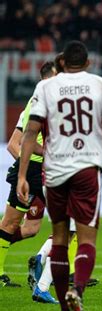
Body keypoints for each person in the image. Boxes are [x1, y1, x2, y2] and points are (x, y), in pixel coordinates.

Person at [17, 40, 102, 311]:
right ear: (88, 63)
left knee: (60, 237)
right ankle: (78, 290)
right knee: (86, 238)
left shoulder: (45, 87)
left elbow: (29, 133)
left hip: (54, 169)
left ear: (62, 62)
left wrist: (22, 175)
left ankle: (64, 305)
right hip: (87, 168)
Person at [0, 61, 56, 288]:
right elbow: (18, 143)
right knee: (11, 222)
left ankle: (64, 269)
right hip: (34, 169)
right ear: (45, 79)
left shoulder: (54, 103)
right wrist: (25, 168)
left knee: (33, 229)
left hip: (46, 169)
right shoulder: (35, 103)